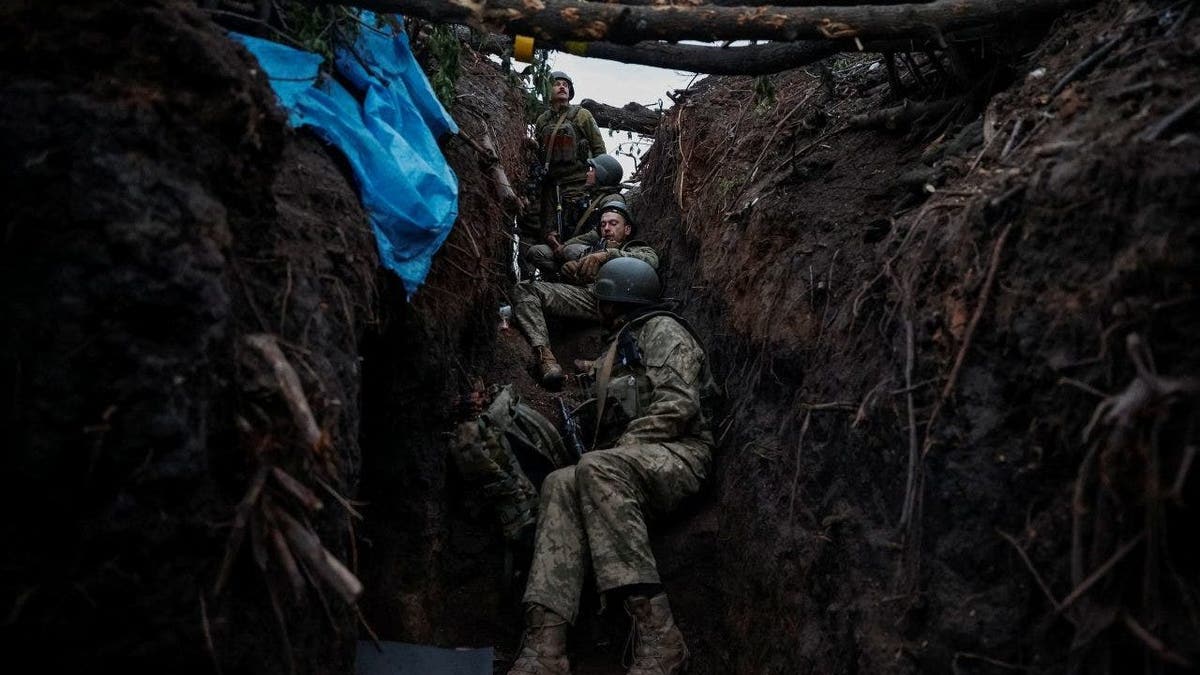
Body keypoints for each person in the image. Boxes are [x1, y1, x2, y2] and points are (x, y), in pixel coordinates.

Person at [506, 258, 718, 675]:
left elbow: (679, 405)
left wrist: (618, 449)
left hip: (681, 451)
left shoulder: (663, 332)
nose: (597, 307)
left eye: (602, 299)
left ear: (617, 300)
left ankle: (661, 639)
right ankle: (544, 648)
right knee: (560, 483)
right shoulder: (621, 344)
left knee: (595, 469)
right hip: (638, 460)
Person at [512, 200, 659, 388]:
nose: (607, 228)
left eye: (613, 223)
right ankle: (546, 359)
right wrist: (573, 273)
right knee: (525, 289)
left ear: (627, 229)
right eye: (603, 224)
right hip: (590, 300)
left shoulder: (635, 248)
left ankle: (603, 364)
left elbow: (651, 260)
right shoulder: (593, 248)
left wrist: (607, 256)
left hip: (621, 310)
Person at [532, 71, 606, 250]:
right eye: (557, 84)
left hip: (581, 184)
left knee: (580, 228)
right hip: (553, 187)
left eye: (566, 84)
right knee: (551, 232)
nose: (562, 86)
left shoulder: (582, 115)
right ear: (548, 90)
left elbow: (599, 149)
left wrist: (597, 176)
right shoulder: (542, 121)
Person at [524, 154, 624, 278]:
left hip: (598, 252)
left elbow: (598, 233)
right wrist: (556, 238)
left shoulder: (612, 199)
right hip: (578, 248)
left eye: (592, 170)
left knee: (569, 250)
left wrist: (565, 245)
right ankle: (563, 276)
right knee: (535, 252)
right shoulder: (590, 198)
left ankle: (578, 275)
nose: (588, 173)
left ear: (602, 175)